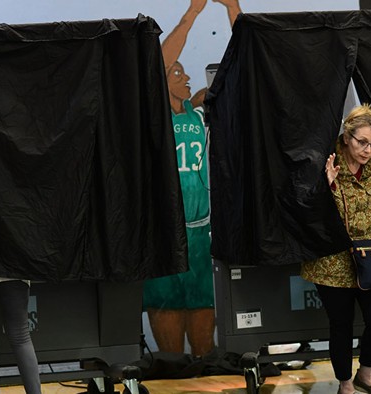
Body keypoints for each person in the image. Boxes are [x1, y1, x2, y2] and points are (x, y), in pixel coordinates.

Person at [141, 0, 241, 357]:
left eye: (184, 73)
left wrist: (233, 8)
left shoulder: (200, 109)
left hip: (200, 231)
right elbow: (160, 62)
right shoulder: (150, 113)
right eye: (177, 73)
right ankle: (171, 367)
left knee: (202, 304)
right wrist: (193, 13)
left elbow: (243, 60)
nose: (184, 77)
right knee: (167, 303)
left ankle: (204, 365)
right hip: (164, 232)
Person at [301, 104, 371, 394]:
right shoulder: (327, 159)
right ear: (346, 136)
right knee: (341, 323)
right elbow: (316, 212)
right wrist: (326, 186)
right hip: (332, 258)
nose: (367, 149)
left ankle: (366, 374)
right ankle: (345, 384)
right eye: (361, 142)